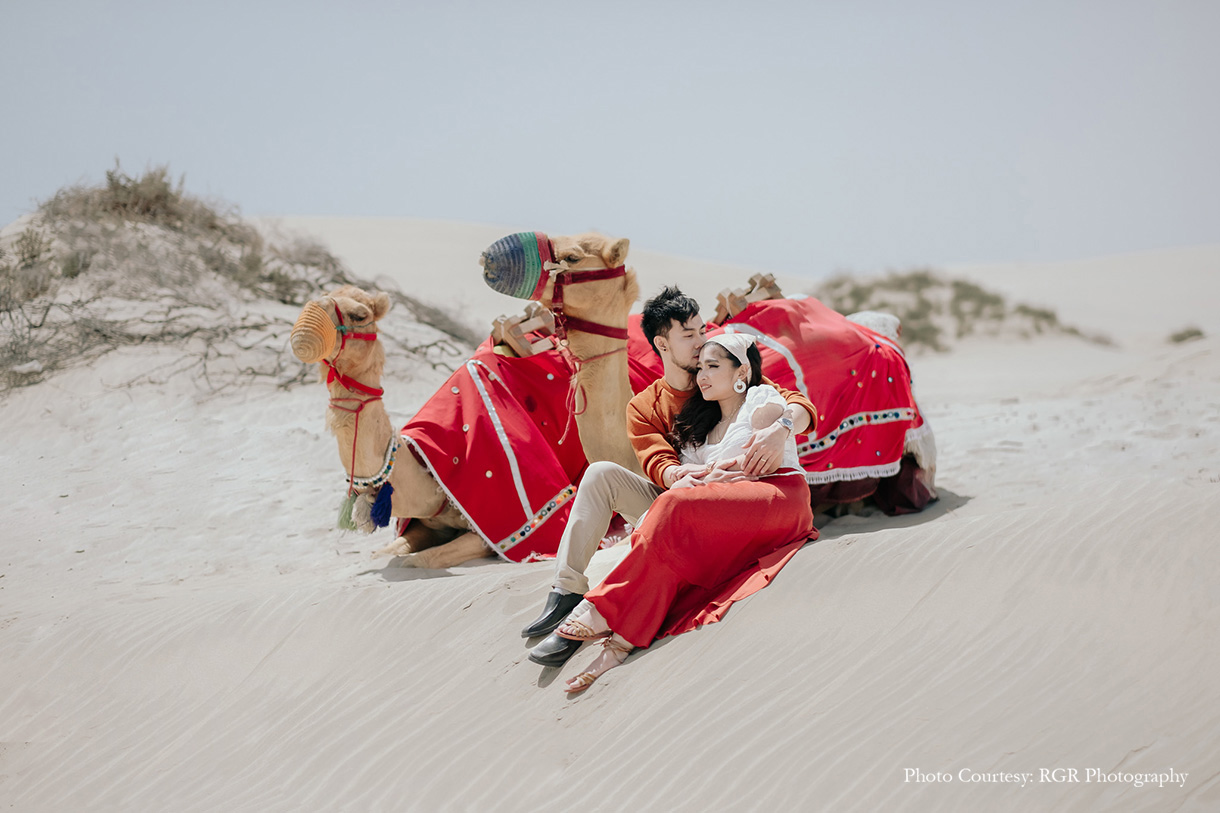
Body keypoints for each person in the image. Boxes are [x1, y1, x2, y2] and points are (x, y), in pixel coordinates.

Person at [522, 286, 817, 667]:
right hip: (677, 494)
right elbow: (654, 460)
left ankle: (609, 610)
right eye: (689, 335)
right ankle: (567, 589)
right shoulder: (645, 405)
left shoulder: (724, 375)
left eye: (702, 330)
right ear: (663, 344)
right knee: (600, 475)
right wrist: (677, 473)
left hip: (723, 501)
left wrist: (781, 429)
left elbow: (793, 403)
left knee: (678, 505)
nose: (702, 341)